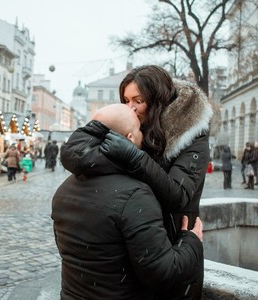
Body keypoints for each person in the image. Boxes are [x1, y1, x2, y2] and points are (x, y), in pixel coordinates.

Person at [61, 65, 213, 299]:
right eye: (125, 100)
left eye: (138, 100)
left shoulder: (191, 135)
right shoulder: (131, 127)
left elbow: (178, 195)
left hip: (175, 248)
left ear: (157, 100)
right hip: (135, 249)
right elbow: (75, 154)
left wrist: (134, 157)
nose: (129, 108)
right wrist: (100, 125)